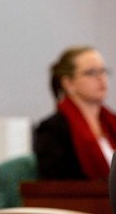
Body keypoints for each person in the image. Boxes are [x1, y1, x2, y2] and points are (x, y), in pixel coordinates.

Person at [34, 46, 116, 180]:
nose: (102, 78)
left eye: (104, 71)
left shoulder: (112, 122)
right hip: (87, 200)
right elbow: (60, 186)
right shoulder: (52, 130)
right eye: (92, 72)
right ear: (68, 83)